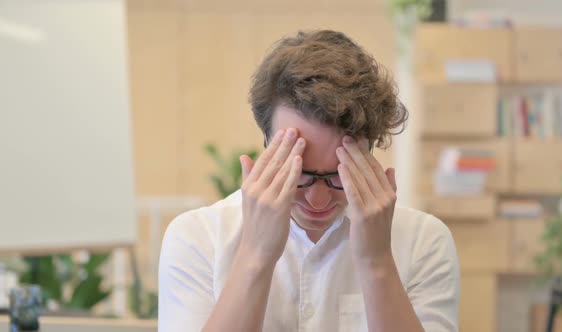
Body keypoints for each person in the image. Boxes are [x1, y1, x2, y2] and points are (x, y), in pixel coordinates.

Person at [158, 30, 460, 332]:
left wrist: (377, 261)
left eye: (339, 175)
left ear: (370, 154)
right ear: (266, 143)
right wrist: (255, 255)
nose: (318, 200)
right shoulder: (198, 238)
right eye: (299, 173)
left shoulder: (423, 242)